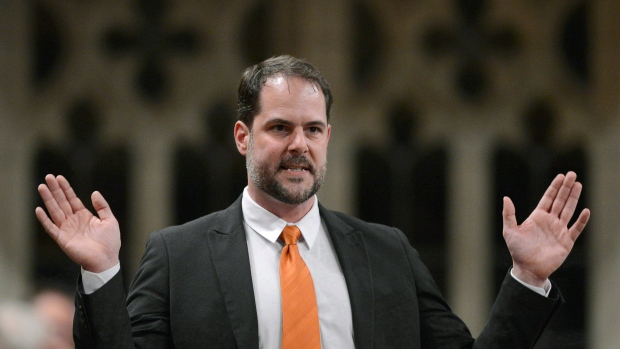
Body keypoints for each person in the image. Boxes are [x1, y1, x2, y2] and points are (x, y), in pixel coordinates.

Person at [35, 55, 590, 348]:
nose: (300, 145)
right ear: (242, 137)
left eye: (314, 130)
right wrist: (103, 271)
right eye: (280, 127)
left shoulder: (387, 253)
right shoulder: (178, 256)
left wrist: (526, 278)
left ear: (328, 138)